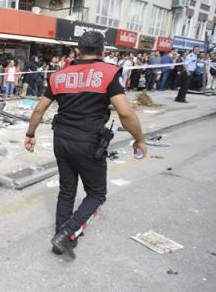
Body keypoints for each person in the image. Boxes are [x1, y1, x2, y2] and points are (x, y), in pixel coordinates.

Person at [24, 31, 147, 260]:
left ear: (78, 50)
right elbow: (125, 112)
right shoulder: (109, 73)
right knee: (97, 193)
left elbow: (39, 109)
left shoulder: (59, 75)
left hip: (60, 139)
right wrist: (139, 138)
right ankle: (67, 234)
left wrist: (30, 134)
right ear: (102, 51)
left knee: (67, 190)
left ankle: (60, 236)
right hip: (89, 141)